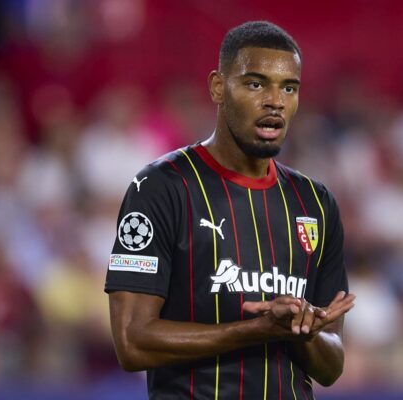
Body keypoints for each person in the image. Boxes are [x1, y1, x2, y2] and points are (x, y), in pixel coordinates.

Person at [105, 21, 356, 399]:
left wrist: (302, 328)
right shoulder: (161, 187)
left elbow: (332, 367)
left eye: (289, 87)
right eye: (256, 84)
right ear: (218, 87)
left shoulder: (315, 203)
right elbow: (131, 342)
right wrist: (254, 330)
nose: (275, 101)